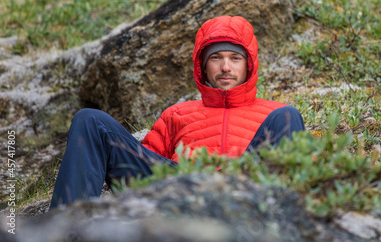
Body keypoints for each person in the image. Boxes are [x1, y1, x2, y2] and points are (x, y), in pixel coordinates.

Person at [50, 15, 305, 209]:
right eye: (216, 58)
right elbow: (144, 165)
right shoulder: (177, 113)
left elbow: (309, 172)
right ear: (203, 67)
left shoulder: (275, 115)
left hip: (243, 188)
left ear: (248, 66)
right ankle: (63, 230)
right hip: (178, 189)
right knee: (90, 119)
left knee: (288, 116)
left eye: (235, 58)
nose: (226, 67)